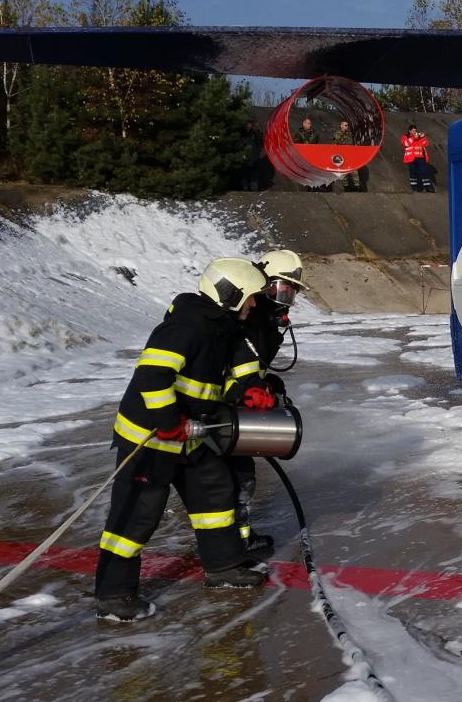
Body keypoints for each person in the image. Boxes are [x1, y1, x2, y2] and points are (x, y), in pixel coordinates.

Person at [94, 257, 274, 622]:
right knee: (138, 515)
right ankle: (113, 595)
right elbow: (152, 376)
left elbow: (230, 373)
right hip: (149, 439)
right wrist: (168, 422)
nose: (254, 304)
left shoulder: (224, 329)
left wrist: (248, 391)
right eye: (251, 297)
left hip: (189, 434)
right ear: (230, 294)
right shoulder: (186, 326)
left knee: (214, 492)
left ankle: (223, 567)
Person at [223, 249, 308, 557]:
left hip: (234, 407)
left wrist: (267, 382)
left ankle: (237, 538)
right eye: (283, 291)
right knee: (232, 478)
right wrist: (247, 390)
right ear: (266, 285)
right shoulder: (247, 318)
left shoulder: (263, 322)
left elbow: (251, 366)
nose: (286, 300)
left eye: (291, 294)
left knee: (240, 475)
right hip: (222, 409)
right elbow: (231, 366)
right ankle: (230, 544)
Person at [333, 120, 364, 192]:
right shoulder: (337, 134)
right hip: (341, 155)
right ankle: (346, 187)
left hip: (349, 155)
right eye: (345, 125)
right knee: (344, 172)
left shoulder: (349, 134)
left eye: (347, 125)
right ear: (341, 126)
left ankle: (357, 187)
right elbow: (335, 145)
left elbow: (351, 143)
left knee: (354, 170)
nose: (347, 127)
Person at [402, 124, 433, 192]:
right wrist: (414, 138)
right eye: (413, 131)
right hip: (411, 158)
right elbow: (406, 144)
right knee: (413, 172)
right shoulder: (406, 136)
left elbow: (426, 144)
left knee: (424, 171)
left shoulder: (419, 137)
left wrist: (423, 137)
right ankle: (414, 187)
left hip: (420, 157)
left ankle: (428, 187)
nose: (414, 132)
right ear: (409, 131)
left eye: (415, 130)